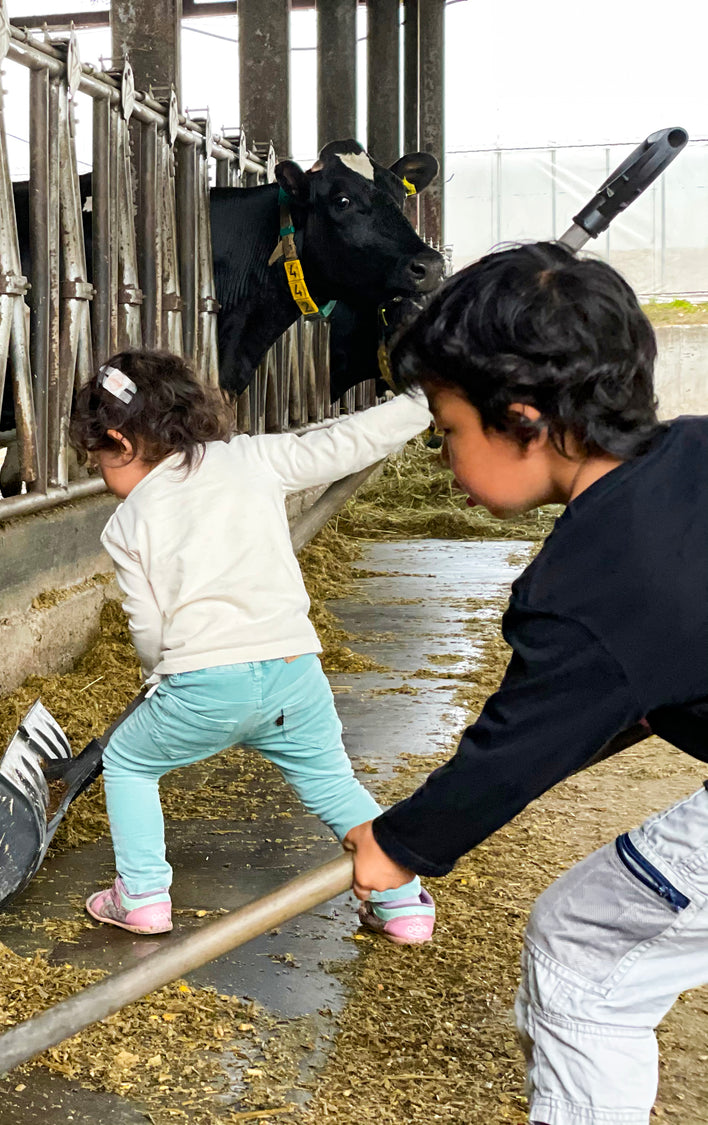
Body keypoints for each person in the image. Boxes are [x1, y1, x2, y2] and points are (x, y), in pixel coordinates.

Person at [341, 241, 708, 1125]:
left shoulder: (591, 580)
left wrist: (400, 842)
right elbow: (631, 691)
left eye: (448, 430)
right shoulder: (693, 454)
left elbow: (510, 755)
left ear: (522, 419)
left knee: (582, 946)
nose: (442, 458)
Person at [69, 348, 436, 942]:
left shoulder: (129, 522)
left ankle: (140, 897)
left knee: (130, 762)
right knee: (331, 781)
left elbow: (149, 628)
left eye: (99, 460)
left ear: (121, 442)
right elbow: (350, 439)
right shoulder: (253, 459)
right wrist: (424, 402)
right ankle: (402, 905)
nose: (104, 476)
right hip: (294, 670)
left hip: (204, 683)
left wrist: (158, 672)